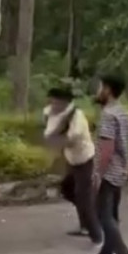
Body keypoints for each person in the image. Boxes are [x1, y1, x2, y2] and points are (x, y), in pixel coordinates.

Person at [91, 72, 128, 254]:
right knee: (113, 215)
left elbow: (107, 148)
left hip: (109, 172)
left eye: (100, 87)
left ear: (108, 89)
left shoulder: (108, 115)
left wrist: (98, 174)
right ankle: (106, 253)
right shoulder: (125, 113)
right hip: (121, 169)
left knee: (104, 216)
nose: (98, 91)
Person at [43, 86, 101, 244]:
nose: (53, 103)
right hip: (71, 158)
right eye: (51, 100)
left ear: (64, 102)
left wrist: (53, 139)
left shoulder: (77, 115)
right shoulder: (49, 113)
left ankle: (97, 236)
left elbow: (71, 138)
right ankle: (85, 223)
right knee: (67, 189)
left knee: (83, 197)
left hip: (84, 158)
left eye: (56, 101)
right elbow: (48, 134)